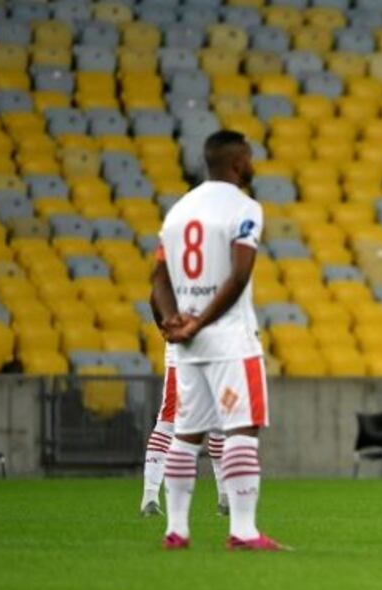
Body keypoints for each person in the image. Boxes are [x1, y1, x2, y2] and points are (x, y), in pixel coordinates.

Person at [150, 130, 284, 550]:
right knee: (242, 428)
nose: (252, 164)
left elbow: (157, 279)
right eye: (249, 158)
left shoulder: (178, 212)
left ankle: (177, 529)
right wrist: (201, 322)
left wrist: (174, 322)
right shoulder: (245, 208)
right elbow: (239, 275)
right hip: (228, 339)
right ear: (237, 162)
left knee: (187, 432)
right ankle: (243, 531)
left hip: (188, 346)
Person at [138, 340, 229, 519]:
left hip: (206, 352)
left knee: (217, 423)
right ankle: (150, 496)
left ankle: (150, 496)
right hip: (191, 351)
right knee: (171, 421)